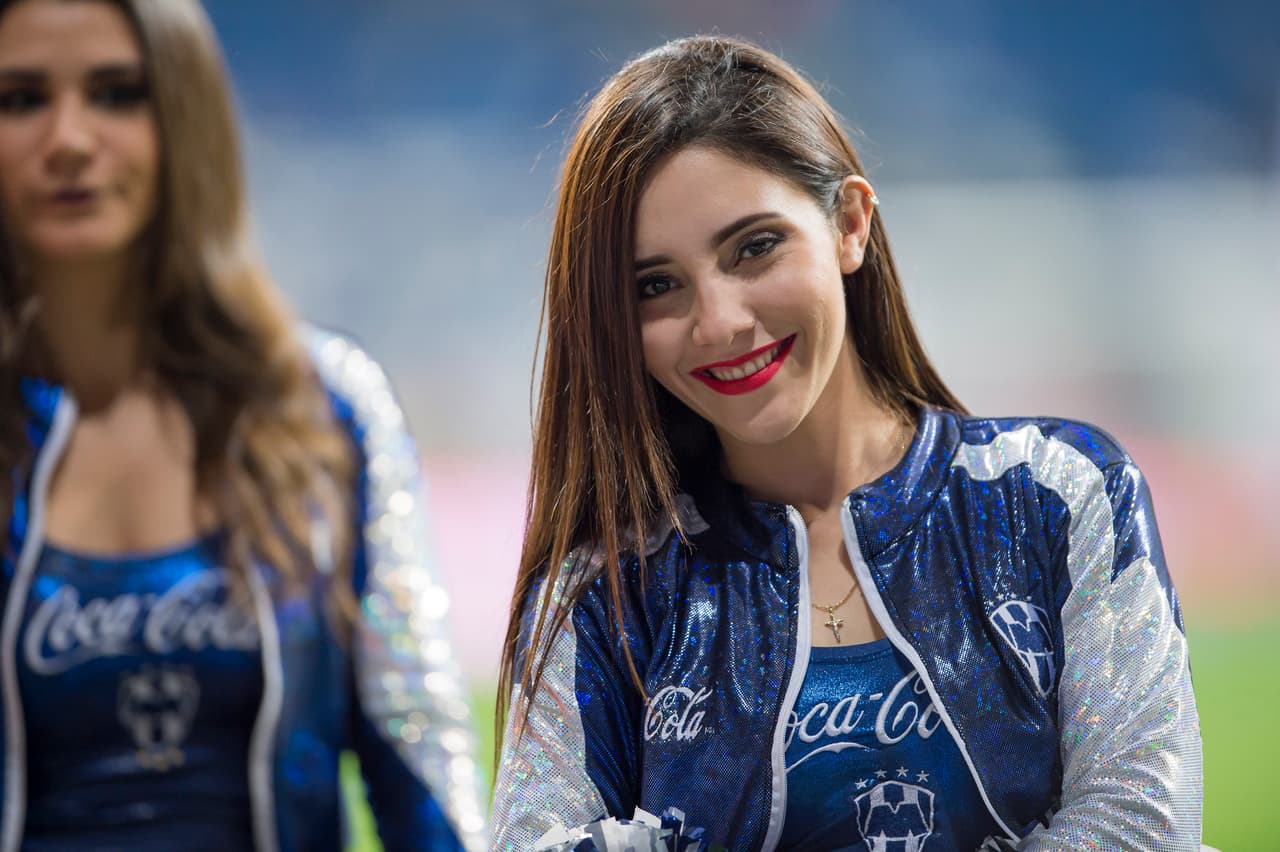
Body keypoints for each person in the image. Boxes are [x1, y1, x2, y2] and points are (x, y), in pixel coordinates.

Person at [491, 35, 1202, 851]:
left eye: (754, 247)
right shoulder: (602, 589)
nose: (718, 322)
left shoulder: (1057, 494)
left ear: (850, 225)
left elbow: (1143, 825)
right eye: (656, 286)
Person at [0, 0, 485, 849]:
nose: (69, 139)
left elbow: (418, 754)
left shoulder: (322, 407)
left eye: (118, 93)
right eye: (20, 99)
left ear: (188, 119)